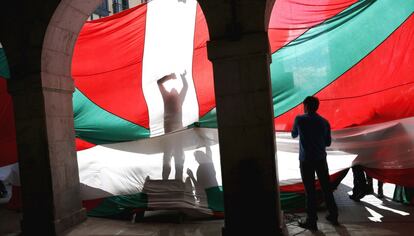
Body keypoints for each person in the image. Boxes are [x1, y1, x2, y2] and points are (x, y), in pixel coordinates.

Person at [291, 96, 339, 231]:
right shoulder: (324, 122)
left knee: (310, 191)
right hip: (321, 159)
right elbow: (328, 143)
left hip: (306, 160)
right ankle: (334, 215)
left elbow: (293, 134)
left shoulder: (300, 119)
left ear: (305, 106)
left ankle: (312, 221)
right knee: (326, 187)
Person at [158, 71, 188, 180]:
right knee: (170, 157)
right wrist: (170, 77)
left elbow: (185, 87)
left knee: (175, 157)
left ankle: (176, 180)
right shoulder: (169, 97)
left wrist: (183, 77)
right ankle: (167, 179)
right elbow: (159, 83)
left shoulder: (176, 99)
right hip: (173, 133)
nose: (174, 90)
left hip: (175, 133)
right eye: (173, 89)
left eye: (175, 90)